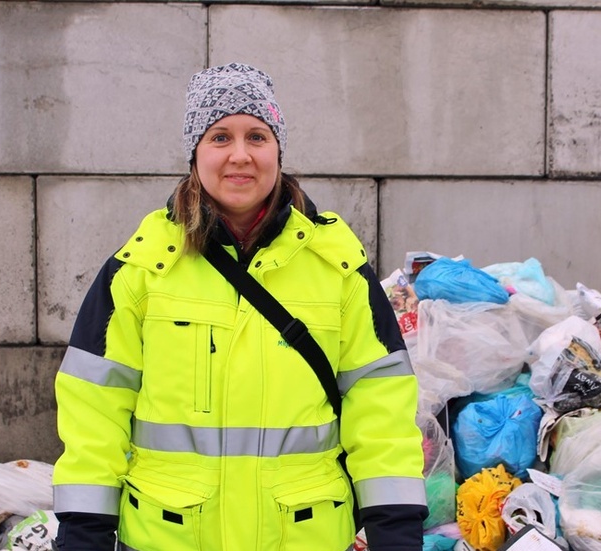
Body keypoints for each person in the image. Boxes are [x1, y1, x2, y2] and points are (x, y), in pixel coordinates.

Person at [52, 62, 428, 551]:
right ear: (195, 152)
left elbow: (382, 412)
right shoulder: (141, 268)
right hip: (169, 537)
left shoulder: (338, 268)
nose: (240, 156)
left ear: (277, 149)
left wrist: (395, 534)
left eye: (257, 136)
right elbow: (94, 415)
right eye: (219, 137)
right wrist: (83, 534)